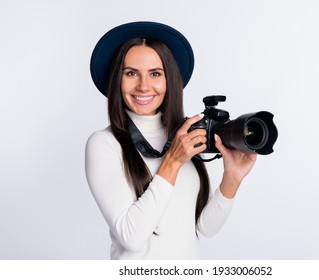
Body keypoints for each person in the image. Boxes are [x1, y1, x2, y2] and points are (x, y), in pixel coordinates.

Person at [85, 21, 256, 259]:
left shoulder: (182, 136)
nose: (143, 86)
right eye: (131, 73)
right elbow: (131, 236)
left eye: (155, 73)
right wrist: (173, 162)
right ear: (117, 81)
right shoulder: (104, 143)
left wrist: (232, 178)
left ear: (169, 81)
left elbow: (205, 228)